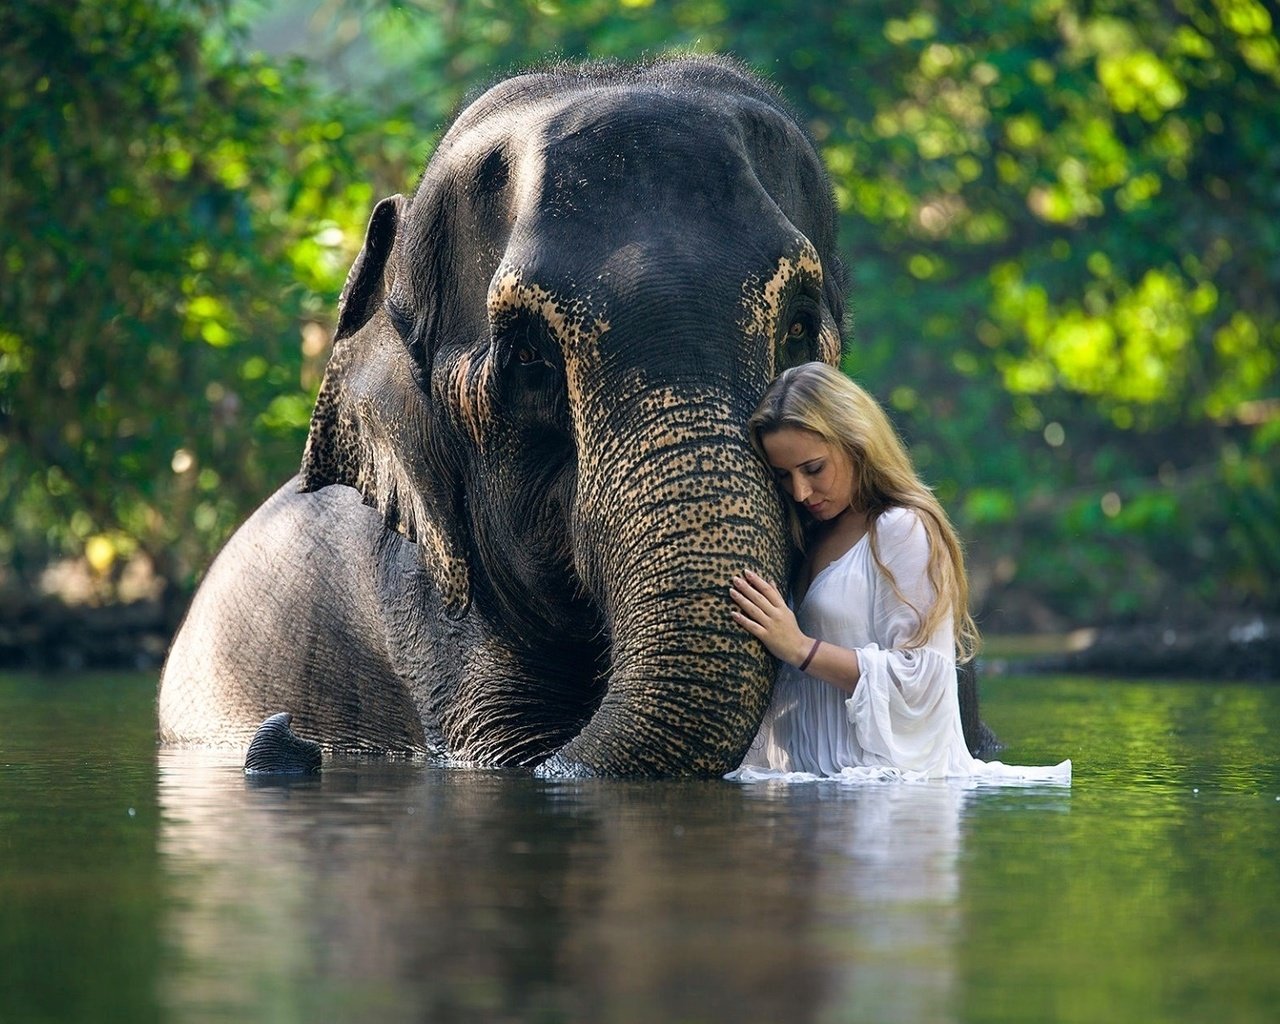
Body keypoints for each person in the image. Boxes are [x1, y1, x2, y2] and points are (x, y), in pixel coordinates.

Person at [727, 362, 1070, 784]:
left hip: (894, 800)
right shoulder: (806, 536)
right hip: (813, 791)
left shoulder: (900, 528)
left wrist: (800, 648)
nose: (800, 492)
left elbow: (923, 677)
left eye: (814, 469)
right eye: (784, 476)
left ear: (857, 442)